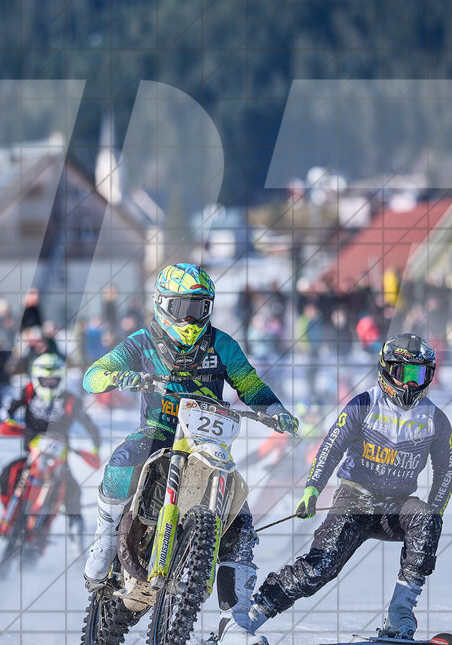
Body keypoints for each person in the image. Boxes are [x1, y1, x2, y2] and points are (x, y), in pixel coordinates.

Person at [81, 263, 298, 644]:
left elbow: (249, 383)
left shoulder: (222, 344)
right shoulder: (143, 341)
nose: (191, 317)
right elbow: (93, 374)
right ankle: (106, 535)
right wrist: (119, 375)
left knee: (241, 522)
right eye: (183, 308)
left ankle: (236, 621)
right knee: (122, 460)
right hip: (160, 433)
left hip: (207, 443)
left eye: (200, 308)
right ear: (163, 304)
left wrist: (274, 409)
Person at [245, 333, 452, 642]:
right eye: (403, 373)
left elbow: (447, 470)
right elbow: (331, 447)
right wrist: (312, 490)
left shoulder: (436, 419)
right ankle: (253, 615)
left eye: (419, 375)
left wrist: (435, 513)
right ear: (386, 371)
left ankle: (400, 614)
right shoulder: (364, 403)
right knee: (320, 567)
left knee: (426, 518)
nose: (411, 384)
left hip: (397, 507)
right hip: (355, 500)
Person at [0, 353, 101, 539]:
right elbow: (7, 410)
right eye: (45, 380)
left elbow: (90, 425)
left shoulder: (69, 399)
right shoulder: (29, 392)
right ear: (36, 378)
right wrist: (10, 423)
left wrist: (95, 449)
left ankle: (76, 530)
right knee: (7, 476)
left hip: (59, 459)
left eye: (54, 380)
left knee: (73, 491)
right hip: (32, 456)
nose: (49, 383)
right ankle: (7, 516)